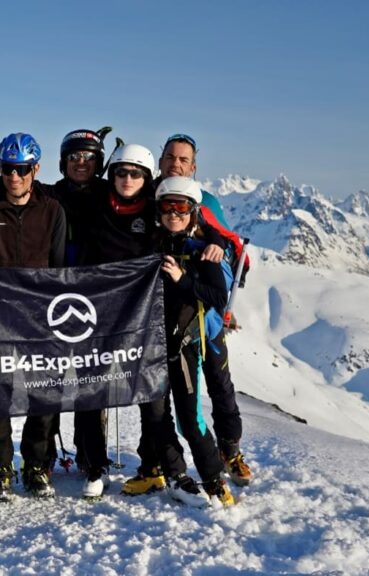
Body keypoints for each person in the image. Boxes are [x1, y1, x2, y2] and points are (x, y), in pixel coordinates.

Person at [144, 133, 253, 487]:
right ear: (160, 161)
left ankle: (230, 451)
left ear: (193, 167)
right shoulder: (151, 197)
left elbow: (223, 236)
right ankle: (156, 462)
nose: (175, 164)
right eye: (170, 157)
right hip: (170, 322)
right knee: (159, 398)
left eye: (183, 159)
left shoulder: (204, 200)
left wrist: (218, 246)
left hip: (208, 317)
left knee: (220, 386)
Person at [0, 132, 67, 502]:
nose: (14, 176)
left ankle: (36, 466)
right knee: (0, 396)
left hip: (41, 318)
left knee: (44, 396)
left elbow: (58, 266)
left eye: (22, 169)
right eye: (8, 168)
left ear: (35, 169)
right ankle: (3, 468)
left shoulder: (52, 209)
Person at [71, 142, 159, 500]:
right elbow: (50, 191)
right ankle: (94, 465)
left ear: (147, 178)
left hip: (140, 315)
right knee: (92, 389)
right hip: (96, 313)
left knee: (151, 390)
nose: (127, 179)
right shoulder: (95, 205)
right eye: (120, 172)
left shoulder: (157, 210)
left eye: (135, 173)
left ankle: (152, 463)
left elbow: (195, 221)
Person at [147, 175, 235, 507]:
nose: (174, 214)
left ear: (193, 211)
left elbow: (217, 296)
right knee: (156, 414)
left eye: (181, 207)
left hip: (184, 343)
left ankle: (214, 478)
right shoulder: (152, 244)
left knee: (188, 417)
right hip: (151, 344)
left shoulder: (203, 252)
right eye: (167, 207)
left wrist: (183, 279)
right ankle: (175, 474)